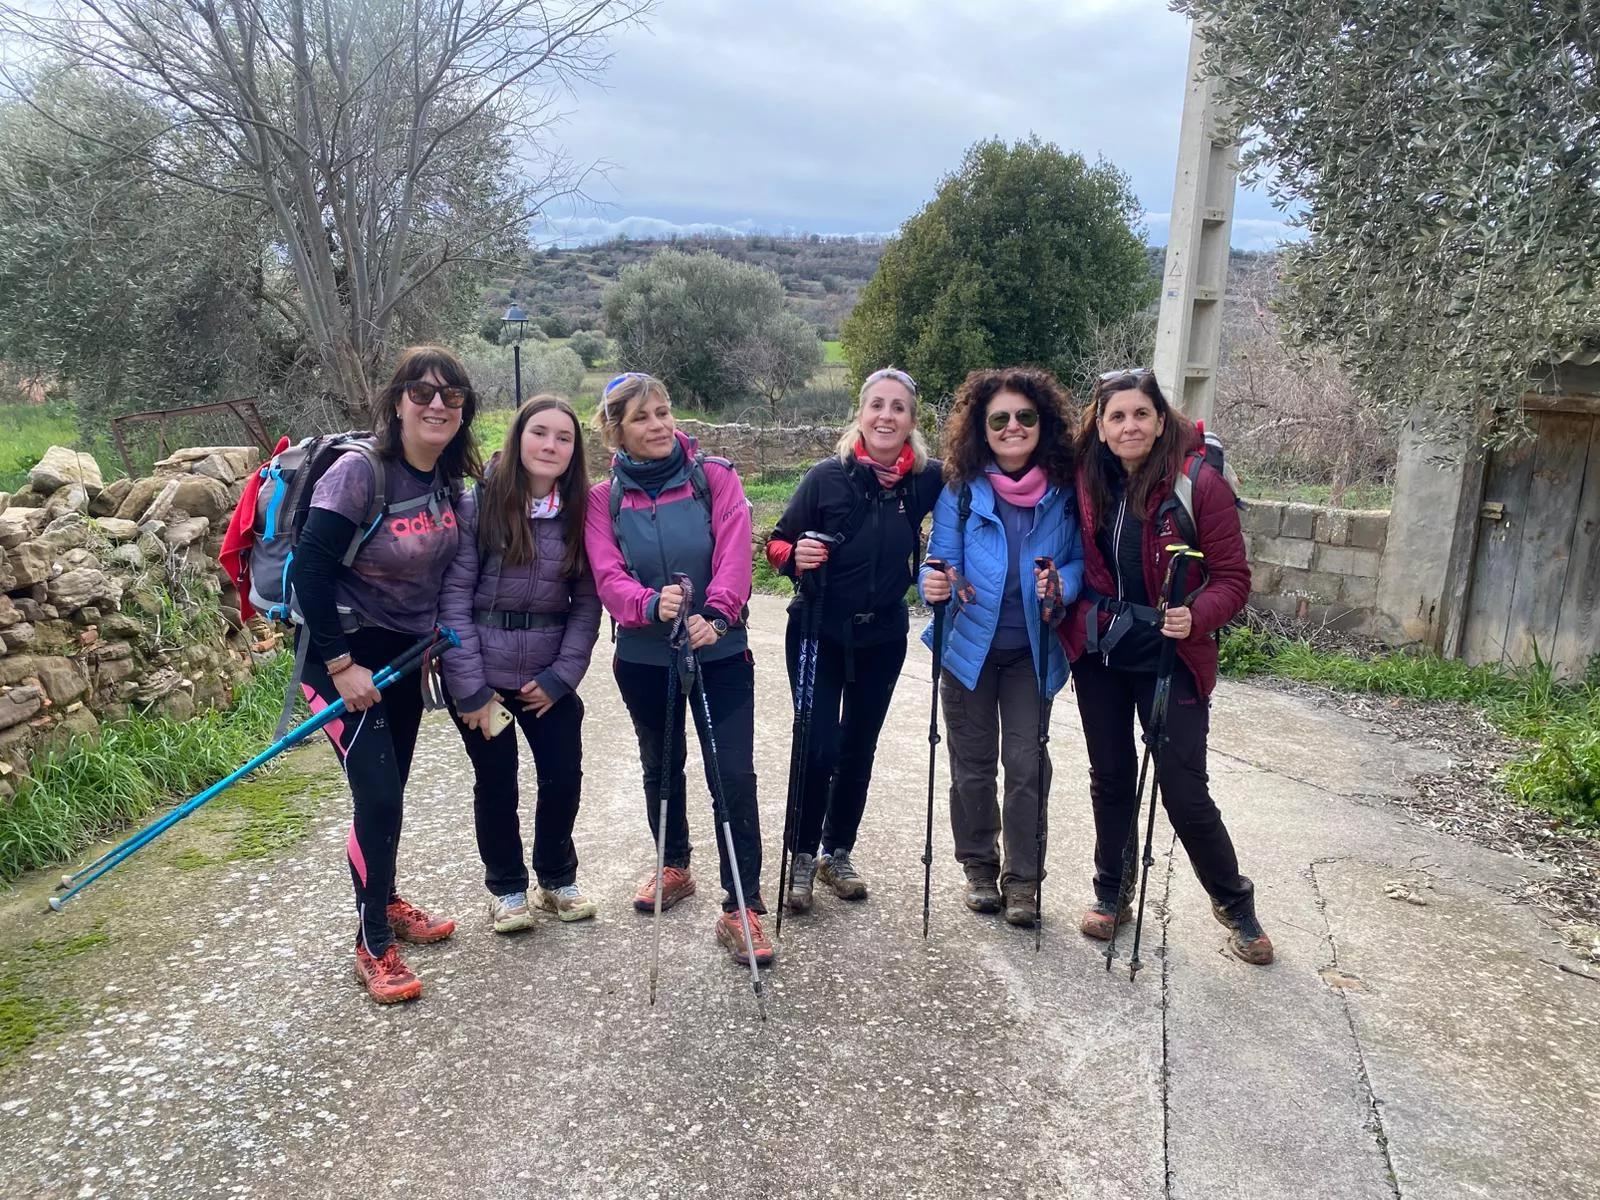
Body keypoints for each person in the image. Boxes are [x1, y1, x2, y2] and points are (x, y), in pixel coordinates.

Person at [1060, 369, 1272, 965]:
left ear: (1160, 421)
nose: (1129, 426)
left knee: (1183, 791)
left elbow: (1233, 580)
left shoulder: (1198, 483)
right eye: (1117, 417)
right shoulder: (1084, 477)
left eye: (1141, 415)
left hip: (1172, 653)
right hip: (1102, 650)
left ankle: (1235, 905)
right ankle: (1112, 890)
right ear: (1099, 428)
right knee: (1111, 778)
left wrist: (1195, 615)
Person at [292, 345, 481, 1004]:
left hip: (403, 658)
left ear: (463, 411)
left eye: (451, 397)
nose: (436, 405)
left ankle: (387, 897)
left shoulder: (447, 480)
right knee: (377, 796)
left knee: (391, 789)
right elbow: (309, 572)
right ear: (397, 401)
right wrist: (342, 666)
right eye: (422, 393)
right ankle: (372, 943)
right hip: (339, 655)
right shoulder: (358, 472)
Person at [582, 372, 771, 966]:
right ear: (615, 429)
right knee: (661, 766)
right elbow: (606, 574)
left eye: (663, 412)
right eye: (642, 417)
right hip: (643, 655)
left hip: (720, 651)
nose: (659, 425)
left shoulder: (713, 478)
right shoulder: (600, 498)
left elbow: (736, 553)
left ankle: (743, 907)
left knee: (732, 774)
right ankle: (674, 864)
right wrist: (646, 604)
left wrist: (715, 614)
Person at [764, 367, 943, 912]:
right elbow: (776, 545)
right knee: (816, 748)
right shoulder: (826, 477)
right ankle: (798, 855)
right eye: (876, 406)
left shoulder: (926, 480)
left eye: (898, 407)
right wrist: (795, 557)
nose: (886, 416)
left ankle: (835, 851)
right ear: (860, 414)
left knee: (858, 747)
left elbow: (974, 499)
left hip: (883, 634)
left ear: (913, 420)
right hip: (818, 628)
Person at [920, 367, 1083, 927]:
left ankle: (1024, 881)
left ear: (1043, 422)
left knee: (1027, 763)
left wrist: (1063, 581)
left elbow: (1081, 561)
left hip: (1031, 650)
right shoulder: (962, 492)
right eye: (999, 419)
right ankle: (980, 871)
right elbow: (938, 560)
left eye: (1025, 417)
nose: (1013, 427)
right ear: (981, 429)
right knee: (972, 767)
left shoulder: (1065, 492)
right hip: (969, 648)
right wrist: (935, 582)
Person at [438, 394, 601, 936]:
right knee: (497, 783)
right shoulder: (477, 505)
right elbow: (454, 598)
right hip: (486, 682)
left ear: (574, 451)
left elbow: (587, 605)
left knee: (563, 778)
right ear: (518, 436)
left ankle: (556, 879)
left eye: (563, 437)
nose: (550, 445)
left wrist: (562, 678)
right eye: (540, 432)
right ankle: (507, 889)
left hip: (547, 682)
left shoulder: (580, 513)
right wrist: (471, 688)